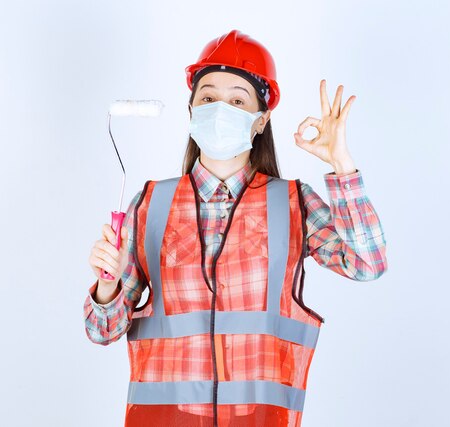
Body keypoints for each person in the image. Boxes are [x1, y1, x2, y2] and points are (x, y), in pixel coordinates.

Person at [83, 29, 388, 427]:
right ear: (191, 111)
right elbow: (101, 330)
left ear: (260, 120)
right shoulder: (151, 204)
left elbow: (368, 263)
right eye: (207, 98)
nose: (219, 108)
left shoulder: (293, 203)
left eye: (237, 100)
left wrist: (341, 164)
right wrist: (106, 288)